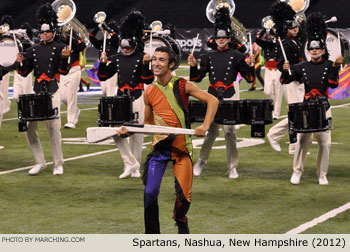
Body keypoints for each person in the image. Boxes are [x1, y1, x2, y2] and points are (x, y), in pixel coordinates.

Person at [120, 46, 218, 234]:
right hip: (159, 150)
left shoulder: (182, 85)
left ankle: (180, 218)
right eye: (154, 59)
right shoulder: (149, 91)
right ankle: (152, 236)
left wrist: (204, 126)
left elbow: (213, 101)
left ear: (171, 64)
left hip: (182, 150)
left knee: (184, 200)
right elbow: (148, 123)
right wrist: (129, 132)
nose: (156, 63)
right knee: (149, 193)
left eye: (161, 60)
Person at [187, 7, 255, 179]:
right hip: (211, 97)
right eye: (218, 37)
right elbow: (196, 78)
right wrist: (193, 65)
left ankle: (232, 166)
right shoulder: (208, 56)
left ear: (229, 38)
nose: (221, 40)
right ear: (214, 38)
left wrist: (250, 65)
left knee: (230, 132)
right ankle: (201, 161)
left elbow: (248, 78)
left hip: (230, 95)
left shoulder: (237, 56)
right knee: (210, 131)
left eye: (224, 37)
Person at [281, 12, 342, 185]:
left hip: (323, 107)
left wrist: (335, 67)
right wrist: (285, 69)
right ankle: (297, 171)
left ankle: (322, 174)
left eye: (317, 49)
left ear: (323, 50)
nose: (314, 51)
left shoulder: (329, 65)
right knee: (302, 140)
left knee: (325, 143)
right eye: (311, 49)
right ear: (308, 51)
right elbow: (286, 80)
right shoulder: (302, 66)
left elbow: (333, 84)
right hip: (306, 107)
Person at [16, 3, 71, 175]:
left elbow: (63, 71)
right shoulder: (33, 50)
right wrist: (20, 61)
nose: (44, 34)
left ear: (53, 32)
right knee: (29, 127)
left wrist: (64, 59)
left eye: (47, 31)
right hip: (37, 90)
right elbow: (25, 72)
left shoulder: (61, 48)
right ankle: (39, 161)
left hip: (53, 90)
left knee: (53, 128)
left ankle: (58, 163)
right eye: (42, 32)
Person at [98, 10, 154, 179]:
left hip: (138, 97)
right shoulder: (116, 58)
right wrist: (102, 63)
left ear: (135, 44)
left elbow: (148, 79)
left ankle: (135, 167)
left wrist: (146, 64)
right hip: (121, 99)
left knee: (137, 134)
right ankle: (129, 163)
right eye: (123, 47)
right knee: (117, 131)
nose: (125, 50)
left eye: (128, 47)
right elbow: (104, 76)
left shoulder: (141, 57)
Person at [266, 1, 305, 154]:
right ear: (286, 30)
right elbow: (281, 64)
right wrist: (284, 67)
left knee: (300, 113)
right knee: (297, 113)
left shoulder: (296, 40)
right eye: (292, 28)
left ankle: (293, 146)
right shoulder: (286, 43)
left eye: (296, 27)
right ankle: (274, 134)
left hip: (299, 79)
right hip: (291, 81)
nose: (295, 29)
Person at [58, 31, 87, 129]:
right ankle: (76, 110)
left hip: (74, 68)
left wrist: (73, 35)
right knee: (62, 97)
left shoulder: (74, 40)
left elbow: (82, 46)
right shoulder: (58, 39)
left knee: (71, 95)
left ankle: (71, 121)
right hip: (63, 69)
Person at [255, 28, 283, 119]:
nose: (270, 37)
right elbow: (257, 40)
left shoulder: (280, 44)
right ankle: (273, 107)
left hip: (278, 68)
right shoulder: (266, 45)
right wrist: (265, 29)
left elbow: (279, 41)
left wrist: (274, 33)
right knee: (267, 91)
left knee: (278, 91)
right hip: (268, 68)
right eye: (269, 35)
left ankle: (276, 113)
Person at [89, 18, 119, 96]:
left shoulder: (115, 41)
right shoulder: (102, 42)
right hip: (102, 66)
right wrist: (98, 27)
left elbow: (115, 35)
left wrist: (106, 28)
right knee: (104, 91)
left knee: (110, 91)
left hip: (111, 65)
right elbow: (91, 37)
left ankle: (111, 107)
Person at [12, 22, 35, 102]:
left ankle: (28, 110)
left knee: (27, 94)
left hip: (26, 72)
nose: (20, 35)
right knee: (16, 96)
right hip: (17, 71)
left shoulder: (30, 44)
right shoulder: (17, 43)